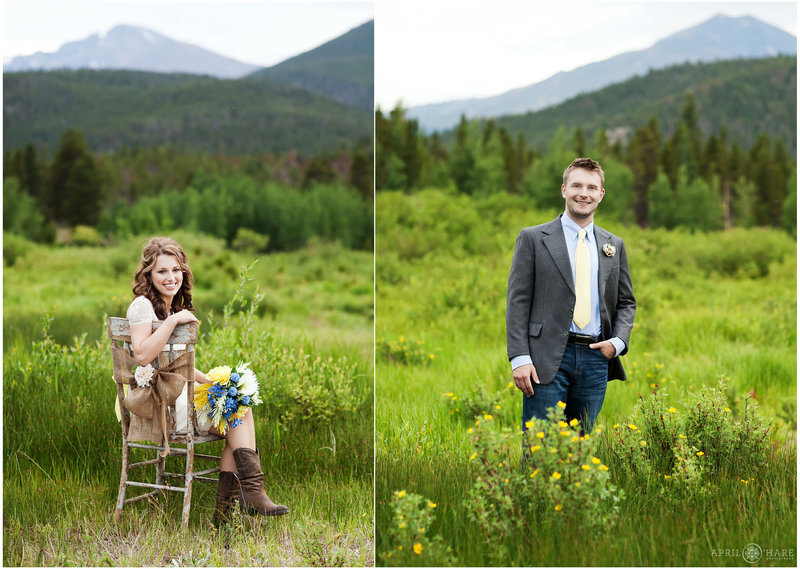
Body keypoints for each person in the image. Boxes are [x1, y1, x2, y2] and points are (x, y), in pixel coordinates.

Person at [126, 236, 289, 525]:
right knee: (238, 416)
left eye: (176, 270)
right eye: (162, 271)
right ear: (148, 274)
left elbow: (178, 367)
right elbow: (141, 354)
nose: (171, 277)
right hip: (158, 409)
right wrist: (174, 322)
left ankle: (239, 506)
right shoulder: (142, 306)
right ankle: (238, 505)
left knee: (237, 406)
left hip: (176, 398)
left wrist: (214, 384)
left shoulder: (172, 308)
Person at [506, 157, 636, 434]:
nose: (583, 193)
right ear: (564, 189)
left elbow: (626, 302)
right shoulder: (532, 238)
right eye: (576, 185)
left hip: (596, 358)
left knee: (580, 448)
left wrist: (618, 342)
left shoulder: (614, 244)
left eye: (591, 188)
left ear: (601, 195)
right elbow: (518, 302)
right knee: (540, 447)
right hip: (545, 358)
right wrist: (519, 357)